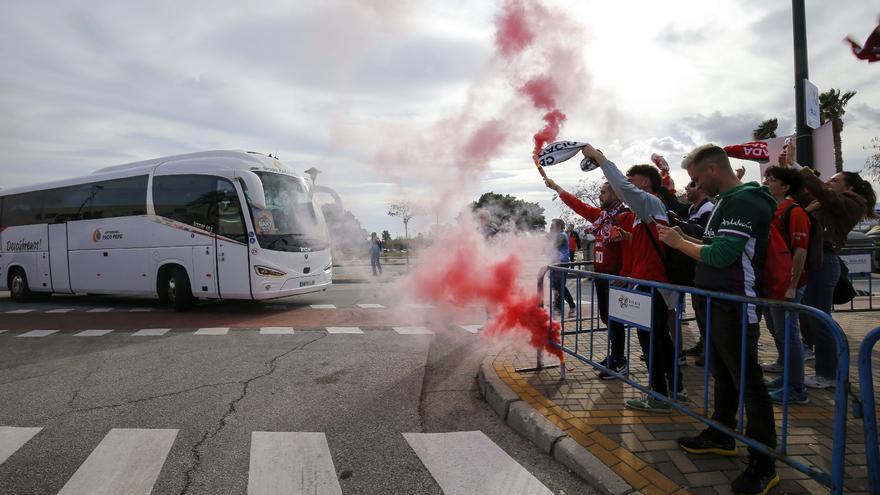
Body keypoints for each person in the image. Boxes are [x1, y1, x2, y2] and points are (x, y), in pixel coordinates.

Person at [657, 144, 778, 495]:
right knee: (722, 372)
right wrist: (680, 233)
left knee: (748, 382)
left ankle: (763, 462)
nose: (691, 185)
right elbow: (711, 242)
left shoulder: (744, 201)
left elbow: (724, 254)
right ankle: (722, 434)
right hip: (714, 300)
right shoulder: (726, 201)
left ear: (711, 170)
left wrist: (679, 243)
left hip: (736, 304)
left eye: (695, 177)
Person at [582, 145, 685, 411]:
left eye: (632, 179)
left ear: (646, 183)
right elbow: (648, 246)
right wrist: (629, 239)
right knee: (660, 337)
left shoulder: (649, 202)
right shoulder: (645, 213)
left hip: (652, 283)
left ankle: (658, 395)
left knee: (650, 339)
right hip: (650, 281)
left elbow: (623, 188)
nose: (627, 184)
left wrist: (600, 158)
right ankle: (675, 388)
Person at [779, 141, 877, 389]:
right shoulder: (824, 201)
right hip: (811, 262)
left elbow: (823, 192)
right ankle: (808, 354)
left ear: (849, 187)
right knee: (807, 316)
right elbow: (803, 195)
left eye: (834, 180)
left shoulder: (853, 203)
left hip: (824, 262)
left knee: (820, 318)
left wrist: (797, 165)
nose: (829, 183)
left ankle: (828, 373)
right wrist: (788, 172)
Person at [545, 179, 629, 379]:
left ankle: (620, 362)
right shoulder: (602, 218)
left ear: (617, 194)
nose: (601, 195)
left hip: (615, 278)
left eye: (604, 192)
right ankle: (614, 356)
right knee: (606, 318)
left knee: (615, 321)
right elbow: (579, 206)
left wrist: (625, 274)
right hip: (602, 277)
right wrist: (558, 188)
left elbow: (629, 249)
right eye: (600, 191)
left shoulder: (625, 217)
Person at [760, 166, 810, 404]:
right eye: (767, 177)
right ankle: (787, 376)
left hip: (787, 284)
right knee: (779, 333)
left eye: (772, 179)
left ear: (786, 186)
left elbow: (800, 251)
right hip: (771, 281)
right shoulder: (772, 209)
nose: (766, 181)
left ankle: (797, 389)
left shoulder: (795, 211)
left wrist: (791, 285)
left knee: (789, 335)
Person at [681, 177, 715, 367]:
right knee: (699, 310)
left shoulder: (708, 209)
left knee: (706, 312)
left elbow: (706, 239)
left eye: (692, 184)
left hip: (704, 264)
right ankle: (704, 343)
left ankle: (711, 350)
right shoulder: (693, 208)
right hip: (694, 266)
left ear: (701, 188)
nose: (686, 188)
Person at [548, 219, 577, 315]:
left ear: (559, 226)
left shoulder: (562, 236)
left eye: (553, 225)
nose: (551, 227)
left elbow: (552, 246)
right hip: (556, 264)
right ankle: (558, 306)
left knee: (560, 287)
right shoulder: (558, 235)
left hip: (561, 264)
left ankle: (563, 307)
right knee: (556, 286)